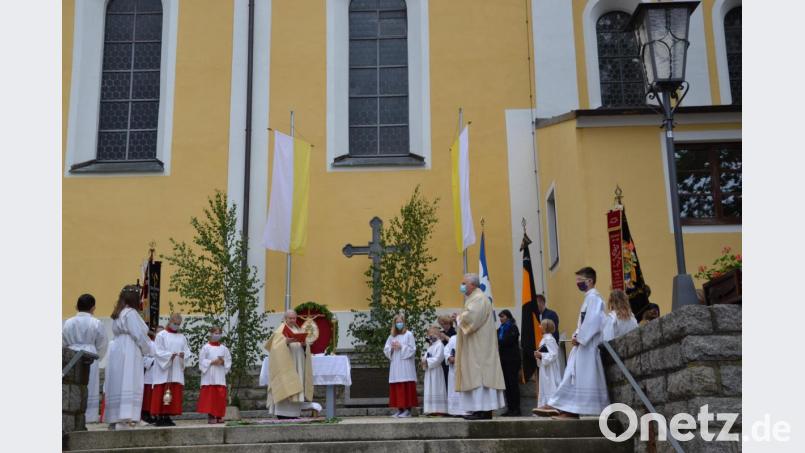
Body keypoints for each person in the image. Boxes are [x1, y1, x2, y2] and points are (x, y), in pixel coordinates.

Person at [537, 267, 609, 419]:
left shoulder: (594, 298)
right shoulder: (589, 298)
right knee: (571, 376)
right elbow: (584, 322)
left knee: (577, 378)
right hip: (582, 346)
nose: (577, 284)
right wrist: (577, 334)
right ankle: (561, 407)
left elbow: (593, 321)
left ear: (589, 281)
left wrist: (580, 337)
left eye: (580, 281)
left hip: (588, 346)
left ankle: (564, 408)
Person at [455, 273, 506, 420]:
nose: (462, 286)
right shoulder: (473, 298)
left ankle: (483, 410)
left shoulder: (478, 299)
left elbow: (471, 319)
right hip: (476, 346)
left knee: (479, 376)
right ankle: (479, 410)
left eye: (464, 283)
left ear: (473, 284)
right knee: (476, 375)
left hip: (480, 347)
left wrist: (458, 318)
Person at [104, 285, 151, 430]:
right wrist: (147, 349)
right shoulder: (131, 313)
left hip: (118, 348)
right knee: (129, 380)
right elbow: (138, 334)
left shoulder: (118, 313)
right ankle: (126, 417)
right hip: (130, 349)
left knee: (119, 381)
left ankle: (116, 417)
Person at [62, 293, 108, 424]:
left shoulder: (68, 322)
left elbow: (63, 341)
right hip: (90, 356)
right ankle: (90, 415)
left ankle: (73, 411)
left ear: (77, 306)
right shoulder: (96, 323)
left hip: (72, 355)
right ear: (93, 308)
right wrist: (97, 355)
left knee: (73, 385)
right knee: (90, 385)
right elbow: (102, 342)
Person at [265, 310, 313, 419]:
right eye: (290, 318)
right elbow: (274, 348)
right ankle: (282, 413)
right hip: (285, 365)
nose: (292, 320)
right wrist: (286, 342)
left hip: (298, 362)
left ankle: (294, 413)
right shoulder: (280, 330)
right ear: (285, 318)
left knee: (297, 384)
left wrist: (305, 345)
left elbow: (306, 347)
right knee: (285, 385)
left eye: (294, 318)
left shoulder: (298, 329)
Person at [150, 313, 191, 426]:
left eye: (178, 324)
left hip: (176, 368)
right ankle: (159, 417)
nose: (176, 326)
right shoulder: (161, 335)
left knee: (173, 392)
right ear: (170, 321)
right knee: (161, 391)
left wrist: (183, 355)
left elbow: (187, 351)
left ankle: (167, 416)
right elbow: (158, 351)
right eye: (174, 323)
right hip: (164, 370)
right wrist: (169, 356)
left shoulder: (181, 337)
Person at [383, 314, 417, 418]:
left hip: (406, 365)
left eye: (400, 322)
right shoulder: (391, 336)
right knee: (397, 386)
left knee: (405, 385)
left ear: (404, 322)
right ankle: (400, 409)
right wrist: (392, 349)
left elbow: (412, 349)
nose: (399, 324)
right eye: (397, 322)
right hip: (396, 365)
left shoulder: (408, 334)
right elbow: (386, 349)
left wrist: (401, 346)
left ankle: (407, 410)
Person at [197, 326, 232, 424]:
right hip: (209, 375)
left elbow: (229, 360)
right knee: (210, 397)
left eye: (219, 333)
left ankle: (219, 415)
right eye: (216, 333)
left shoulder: (224, 348)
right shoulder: (205, 347)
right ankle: (211, 415)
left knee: (220, 396)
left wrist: (223, 362)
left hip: (219, 375)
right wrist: (212, 362)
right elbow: (201, 361)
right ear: (211, 334)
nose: (217, 335)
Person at [496, 309, 521, 416]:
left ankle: (516, 409)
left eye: (502, 316)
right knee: (507, 385)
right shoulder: (499, 329)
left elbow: (508, 341)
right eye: (500, 317)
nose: (500, 319)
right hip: (504, 360)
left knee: (513, 384)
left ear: (508, 317)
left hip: (512, 360)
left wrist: (498, 341)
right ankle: (510, 408)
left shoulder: (513, 328)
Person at [533, 319, 562, 411]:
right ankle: (546, 404)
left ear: (545, 327)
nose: (539, 327)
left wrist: (541, 355)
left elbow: (553, 354)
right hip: (545, 368)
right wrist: (538, 355)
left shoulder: (549, 339)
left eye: (541, 325)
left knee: (550, 385)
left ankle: (551, 405)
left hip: (550, 370)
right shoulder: (545, 339)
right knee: (545, 386)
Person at [421, 325, 447, 415]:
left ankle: (439, 410)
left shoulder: (440, 345)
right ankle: (431, 410)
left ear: (437, 334)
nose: (430, 336)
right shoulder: (431, 346)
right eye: (429, 334)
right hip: (429, 371)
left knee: (436, 388)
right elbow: (426, 356)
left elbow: (438, 358)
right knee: (430, 388)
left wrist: (427, 361)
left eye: (432, 334)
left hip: (436, 371)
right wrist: (423, 360)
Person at [141, 325, 162, 425]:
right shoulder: (150, 344)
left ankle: (157, 413)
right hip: (151, 372)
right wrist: (154, 361)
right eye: (158, 332)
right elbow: (144, 358)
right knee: (148, 394)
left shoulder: (165, 346)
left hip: (161, 373)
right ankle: (146, 414)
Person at [443, 333, 467, 417]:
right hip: (453, 369)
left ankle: (465, 410)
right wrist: (449, 357)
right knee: (453, 390)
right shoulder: (453, 338)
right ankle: (455, 411)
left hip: (465, 368)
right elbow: (446, 349)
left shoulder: (468, 337)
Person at [437, 315, 457, 388]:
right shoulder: (441, 332)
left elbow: (454, 342)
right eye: (441, 324)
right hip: (443, 357)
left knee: (450, 379)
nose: (443, 326)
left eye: (444, 324)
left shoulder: (453, 331)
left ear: (449, 323)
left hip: (451, 357)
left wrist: (445, 337)